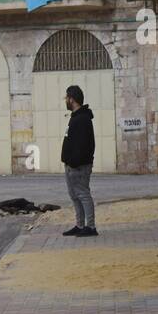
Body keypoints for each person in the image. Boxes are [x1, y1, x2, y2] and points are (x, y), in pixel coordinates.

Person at [60, 85, 97, 237]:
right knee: (74, 195)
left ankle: (91, 227)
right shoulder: (75, 117)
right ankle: (80, 225)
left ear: (72, 99)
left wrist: (74, 162)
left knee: (83, 194)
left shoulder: (82, 119)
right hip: (71, 165)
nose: (65, 101)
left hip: (79, 166)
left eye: (66, 98)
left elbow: (84, 145)